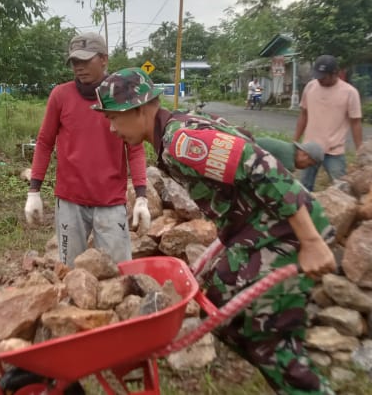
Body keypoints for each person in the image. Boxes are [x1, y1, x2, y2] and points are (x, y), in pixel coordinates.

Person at [93, 68, 337, 395]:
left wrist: (311, 241)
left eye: (113, 118)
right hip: (259, 229)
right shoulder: (175, 129)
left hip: (287, 230)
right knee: (224, 310)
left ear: (139, 110)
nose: (111, 128)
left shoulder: (181, 142)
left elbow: (260, 165)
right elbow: (247, 144)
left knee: (267, 337)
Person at [25, 32, 149, 265]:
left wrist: (141, 196)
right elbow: (44, 142)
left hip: (110, 201)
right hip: (70, 201)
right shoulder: (61, 96)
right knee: (70, 270)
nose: (79, 67)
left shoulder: (120, 96)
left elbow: (135, 148)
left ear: (104, 59)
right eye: (74, 62)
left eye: (85, 60)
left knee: (118, 271)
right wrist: (34, 191)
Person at [294, 55, 362, 191]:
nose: (320, 80)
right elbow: (303, 115)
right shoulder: (310, 87)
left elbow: (355, 123)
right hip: (309, 150)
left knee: (342, 189)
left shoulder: (350, 92)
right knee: (304, 189)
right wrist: (294, 141)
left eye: (323, 77)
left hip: (334, 151)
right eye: (318, 76)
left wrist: (360, 151)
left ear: (335, 73)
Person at [254, 137, 325, 173]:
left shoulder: (290, 148)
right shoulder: (288, 163)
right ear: (305, 156)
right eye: (309, 164)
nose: (305, 168)